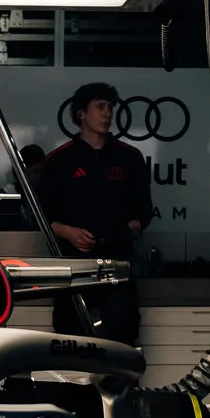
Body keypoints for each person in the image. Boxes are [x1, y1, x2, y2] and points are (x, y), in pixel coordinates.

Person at [36, 81, 154, 349]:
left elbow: (144, 213)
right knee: (71, 340)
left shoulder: (130, 157)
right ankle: (73, 392)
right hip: (74, 266)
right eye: (99, 107)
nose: (107, 114)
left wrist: (124, 230)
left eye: (110, 107)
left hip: (118, 263)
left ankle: (121, 391)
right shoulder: (59, 160)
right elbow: (42, 216)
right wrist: (68, 232)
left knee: (121, 340)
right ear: (81, 114)